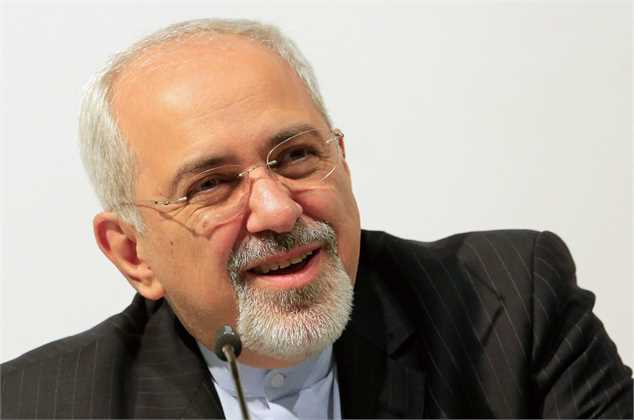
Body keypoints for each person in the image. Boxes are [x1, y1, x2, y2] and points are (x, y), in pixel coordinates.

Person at [1, 18, 631, 419]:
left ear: (343, 163)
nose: (278, 209)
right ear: (133, 253)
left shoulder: (509, 307)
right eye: (211, 185)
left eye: (297, 156)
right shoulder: (34, 406)